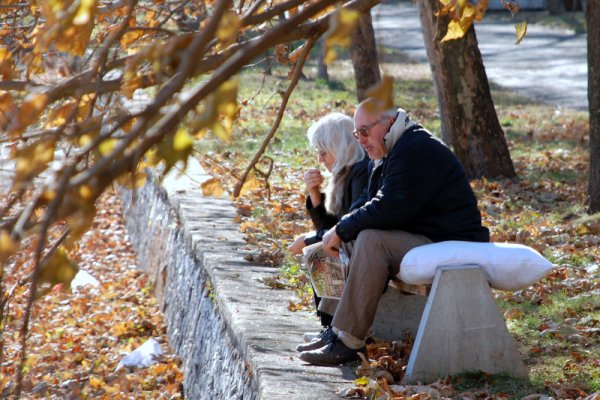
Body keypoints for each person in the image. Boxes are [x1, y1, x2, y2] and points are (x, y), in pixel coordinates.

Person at [298, 98, 490, 366]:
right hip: (425, 234)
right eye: (357, 134)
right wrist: (339, 231)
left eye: (365, 131)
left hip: (450, 238)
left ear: (388, 122)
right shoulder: (389, 151)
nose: (361, 140)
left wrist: (341, 229)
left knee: (370, 239)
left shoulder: (415, 148)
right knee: (348, 239)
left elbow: (389, 208)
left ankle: (348, 342)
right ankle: (335, 330)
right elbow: (364, 203)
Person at [287, 112, 369, 344]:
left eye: (324, 152)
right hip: (352, 239)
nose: (320, 159)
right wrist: (314, 194)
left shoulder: (361, 171)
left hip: (363, 242)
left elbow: (347, 225)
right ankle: (328, 328)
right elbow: (330, 225)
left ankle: (331, 330)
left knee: (318, 249)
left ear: (340, 147)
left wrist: (309, 238)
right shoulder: (344, 172)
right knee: (318, 248)